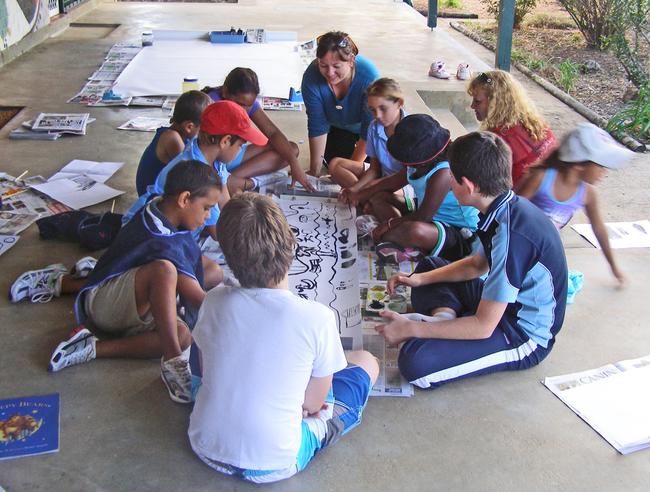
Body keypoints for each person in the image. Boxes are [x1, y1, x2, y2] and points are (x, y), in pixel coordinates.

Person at [188, 193, 378, 483]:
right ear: (291, 244)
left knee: (205, 340)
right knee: (366, 362)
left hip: (205, 444)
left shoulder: (213, 300)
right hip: (276, 460)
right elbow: (314, 404)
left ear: (226, 257)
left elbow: (203, 368)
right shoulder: (317, 317)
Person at [376, 131, 568, 389]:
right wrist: (418, 279)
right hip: (498, 306)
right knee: (430, 266)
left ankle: (443, 323)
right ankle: (445, 320)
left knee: (415, 364)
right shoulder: (502, 208)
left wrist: (413, 329)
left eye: (451, 179)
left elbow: (483, 326)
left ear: (467, 186)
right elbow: (478, 264)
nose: (449, 185)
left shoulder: (513, 236)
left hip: (521, 333)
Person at [42, 161, 226, 404]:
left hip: (133, 304)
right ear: (184, 199)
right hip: (103, 306)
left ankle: (91, 348)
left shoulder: (160, 211)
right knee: (166, 271)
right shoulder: (160, 239)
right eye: (206, 208)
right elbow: (196, 298)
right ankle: (173, 360)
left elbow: (196, 267)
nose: (207, 217)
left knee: (184, 335)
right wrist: (237, 313)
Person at [123, 100, 268, 240]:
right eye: (240, 145)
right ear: (225, 141)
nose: (240, 150)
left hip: (169, 232)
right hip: (145, 236)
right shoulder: (198, 174)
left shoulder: (213, 158)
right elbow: (218, 233)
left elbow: (225, 204)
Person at [518, 123, 634, 287]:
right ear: (579, 164)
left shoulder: (588, 194)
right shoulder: (541, 178)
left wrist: (614, 267)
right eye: (600, 165)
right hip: (518, 245)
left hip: (543, 251)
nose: (604, 172)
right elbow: (510, 212)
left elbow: (599, 230)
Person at [368, 114, 479, 263]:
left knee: (414, 231)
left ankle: (408, 243)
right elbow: (390, 183)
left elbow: (423, 218)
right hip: (425, 213)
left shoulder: (443, 172)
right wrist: (357, 194)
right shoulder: (415, 166)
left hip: (457, 231)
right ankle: (407, 244)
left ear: (419, 160)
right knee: (378, 198)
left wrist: (388, 225)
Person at [202, 68, 314, 192]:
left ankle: (231, 179)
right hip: (216, 158)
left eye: (248, 106)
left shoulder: (245, 102)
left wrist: (295, 165)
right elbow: (205, 150)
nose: (244, 111)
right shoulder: (211, 105)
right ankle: (234, 182)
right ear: (226, 92)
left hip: (231, 153)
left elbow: (273, 133)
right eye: (240, 104)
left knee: (291, 150)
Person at [301, 31, 380, 176]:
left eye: (336, 66)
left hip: (368, 129)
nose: (330, 73)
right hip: (338, 128)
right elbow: (317, 125)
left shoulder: (369, 77)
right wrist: (314, 171)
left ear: (351, 61)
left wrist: (351, 170)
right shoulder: (311, 78)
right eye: (323, 65)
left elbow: (370, 130)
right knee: (333, 162)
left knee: (374, 165)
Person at [468, 70, 557, 188]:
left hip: (520, 199)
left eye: (478, 101)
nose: (472, 106)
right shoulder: (533, 122)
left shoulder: (498, 139)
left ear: (496, 103)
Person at [334, 78, 407, 209]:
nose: (377, 115)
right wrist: (355, 189)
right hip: (382, 174)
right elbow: (374, 169)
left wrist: (365, 189)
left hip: (404, 184)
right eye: (373, 110)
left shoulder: (412, 129)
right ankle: (362, 199)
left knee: (375, 192)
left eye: (383, 108)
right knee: (336, 164)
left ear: (399, 103)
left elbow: (408, 177)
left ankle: (365, 200)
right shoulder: (374, 127)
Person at [135, 90, 212, 196]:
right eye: (204, 128)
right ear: (189, 127)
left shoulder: (178, 134)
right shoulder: (172, 138)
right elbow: (193, 172)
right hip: (152, 198)